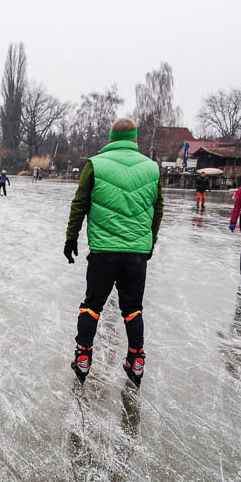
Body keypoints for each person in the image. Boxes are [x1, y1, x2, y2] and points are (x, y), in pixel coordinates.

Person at [64, 118, 164, 388]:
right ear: (134, 139)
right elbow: (158, 208)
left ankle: (83, 356)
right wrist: (150, 241)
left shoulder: (95, 164)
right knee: (133, 309)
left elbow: (80, 203)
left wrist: (71, 238)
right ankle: (137, 359)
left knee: (92, 305)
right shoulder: (152, 168)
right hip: (136, 253)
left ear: (111, 138)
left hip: (103, 252)